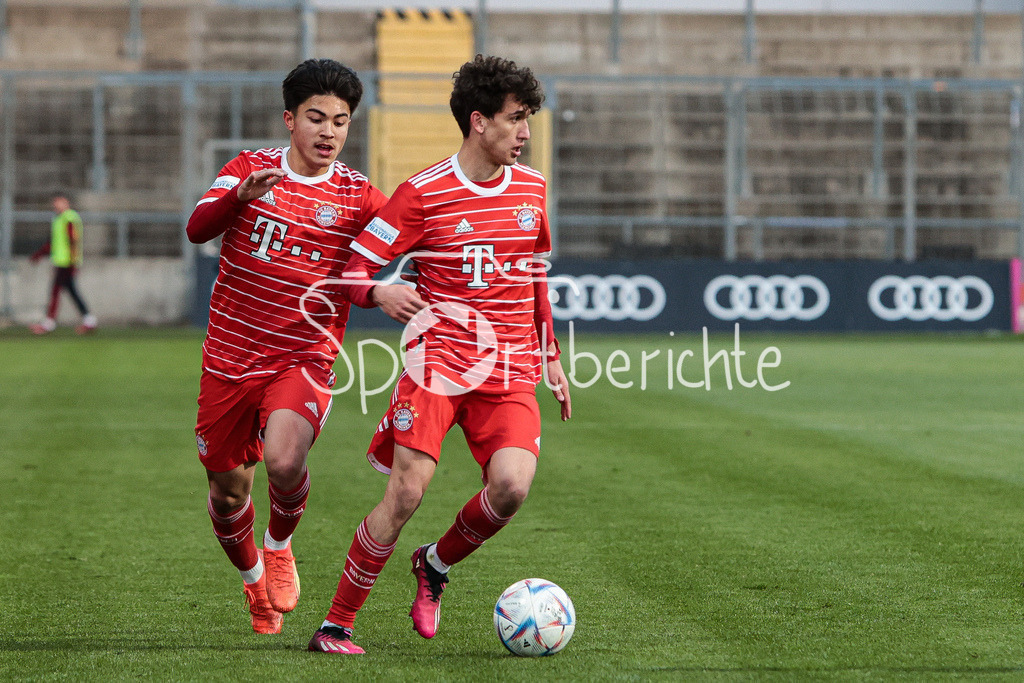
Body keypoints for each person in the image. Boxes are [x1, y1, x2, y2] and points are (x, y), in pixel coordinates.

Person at [308, 54, 572, 655]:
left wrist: (550, 353)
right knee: (405, 494)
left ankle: (435, 564)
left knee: (510, 487)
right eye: (517, 119)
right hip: (440, 364)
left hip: (509, 366)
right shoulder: (422, 194)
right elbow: (350, 273)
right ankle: (336, 625)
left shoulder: (532, 188)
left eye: (528, 118)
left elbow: (534, 275)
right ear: (479, 122)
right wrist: (379, 289)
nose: (526, 132)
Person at [185, 58, 423, 636]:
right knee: (225, 492)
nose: (329, 132)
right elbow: (197, 228)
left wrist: (382, 290)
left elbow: (381, 257)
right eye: (316, 118)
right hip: (230, 358)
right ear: (289, 120)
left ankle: (280, 545)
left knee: (285, 460)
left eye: (340, 122)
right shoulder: (248, 168)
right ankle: (253, 588)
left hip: (304, 356)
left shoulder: (360, 197)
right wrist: (240, 196)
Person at [29, 194, 97, 335]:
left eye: (59, 202)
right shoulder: (58, 219)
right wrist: (39, 255)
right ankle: (89, 320)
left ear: (66, 203)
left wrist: (72, 262)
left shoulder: (69, 218)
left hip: (67, 263)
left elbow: (73, 240)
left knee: (55, 291)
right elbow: (53, 243)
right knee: (72, 292)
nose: (56, 205)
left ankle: (49, 323)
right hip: (62, 262)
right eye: (54, 202)